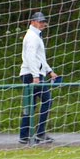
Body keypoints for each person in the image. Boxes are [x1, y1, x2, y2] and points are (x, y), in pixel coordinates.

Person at [18, 11, 59, 145]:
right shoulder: (32, 36)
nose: (42, 24)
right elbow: (30, 57)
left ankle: (25, 135)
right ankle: (39, 133)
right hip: (31, 75)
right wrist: (36, 75)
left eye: (43, 21)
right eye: (40, 21)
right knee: (46, 100)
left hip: (32, 74)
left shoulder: (36, 36)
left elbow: (39, 58)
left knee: (31, 104)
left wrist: (49, 71)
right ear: (33, 22)